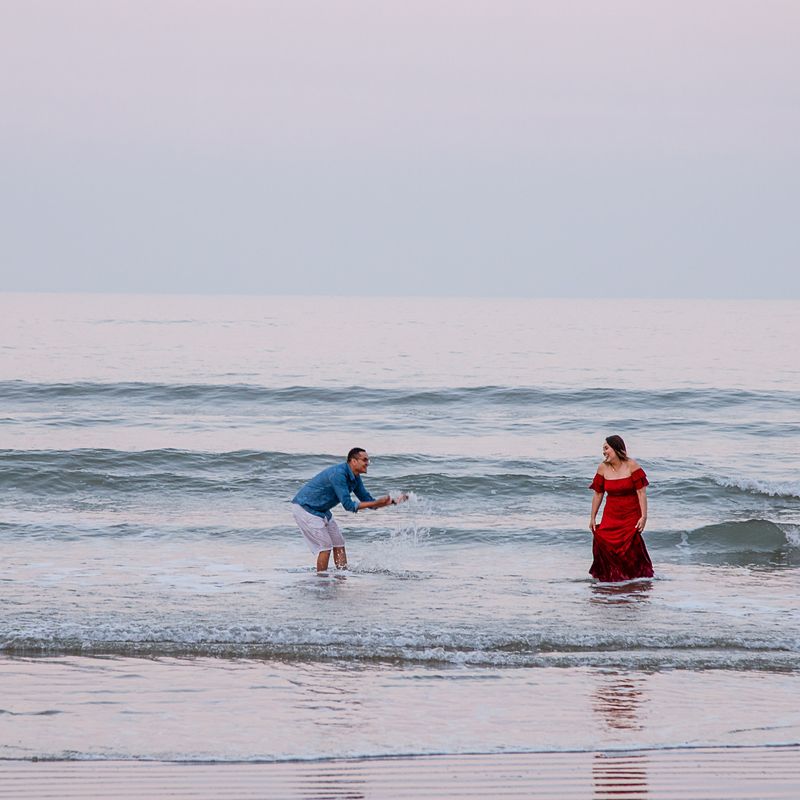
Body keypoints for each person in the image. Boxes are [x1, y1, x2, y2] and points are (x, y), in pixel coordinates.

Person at [291, 448, 406, 572]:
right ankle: (321, 583)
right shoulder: (339, 474)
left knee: (339, 542)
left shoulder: (355, 478)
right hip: (305, 508)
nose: (368, 463)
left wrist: (391, 502)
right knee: (325, 546)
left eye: (368, 460)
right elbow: (348, 505)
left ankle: (341, 576)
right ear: (353, 461)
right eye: (365, 460)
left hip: (322, 510)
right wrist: (376, 502)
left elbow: (369, 502)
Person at [588, 435, 653, 582]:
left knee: (631, 547)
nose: (604, 452)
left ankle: (635, 579)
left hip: (630, 513)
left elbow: (641, 492)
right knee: (604, 541)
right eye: (603, 449)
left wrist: (644, 516)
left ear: (616, 448)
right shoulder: (602, 468)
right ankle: (611, 579)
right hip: (611, 514)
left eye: (606, 448)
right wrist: (592, 517)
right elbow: (598, 494)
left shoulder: (632, 465)